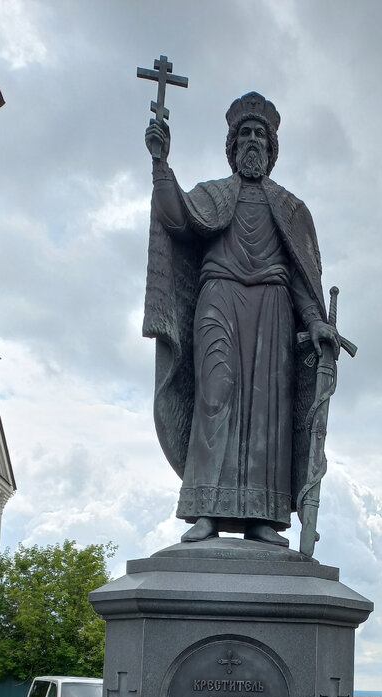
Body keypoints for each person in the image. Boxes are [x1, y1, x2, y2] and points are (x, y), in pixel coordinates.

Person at [143, 91, 339, 546]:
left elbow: (298, 274)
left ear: (271, 150)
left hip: (272, 309)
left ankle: (261, 518)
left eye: (260, 136)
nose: (252, 141)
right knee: (215, 395)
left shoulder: (289, 207)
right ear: (232, 147)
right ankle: (206, 511)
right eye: (245, 134)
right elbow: (176, 218)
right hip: (219, 300)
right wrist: (160, 163)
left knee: (268, 415)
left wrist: (314, 320)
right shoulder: (212, 195)